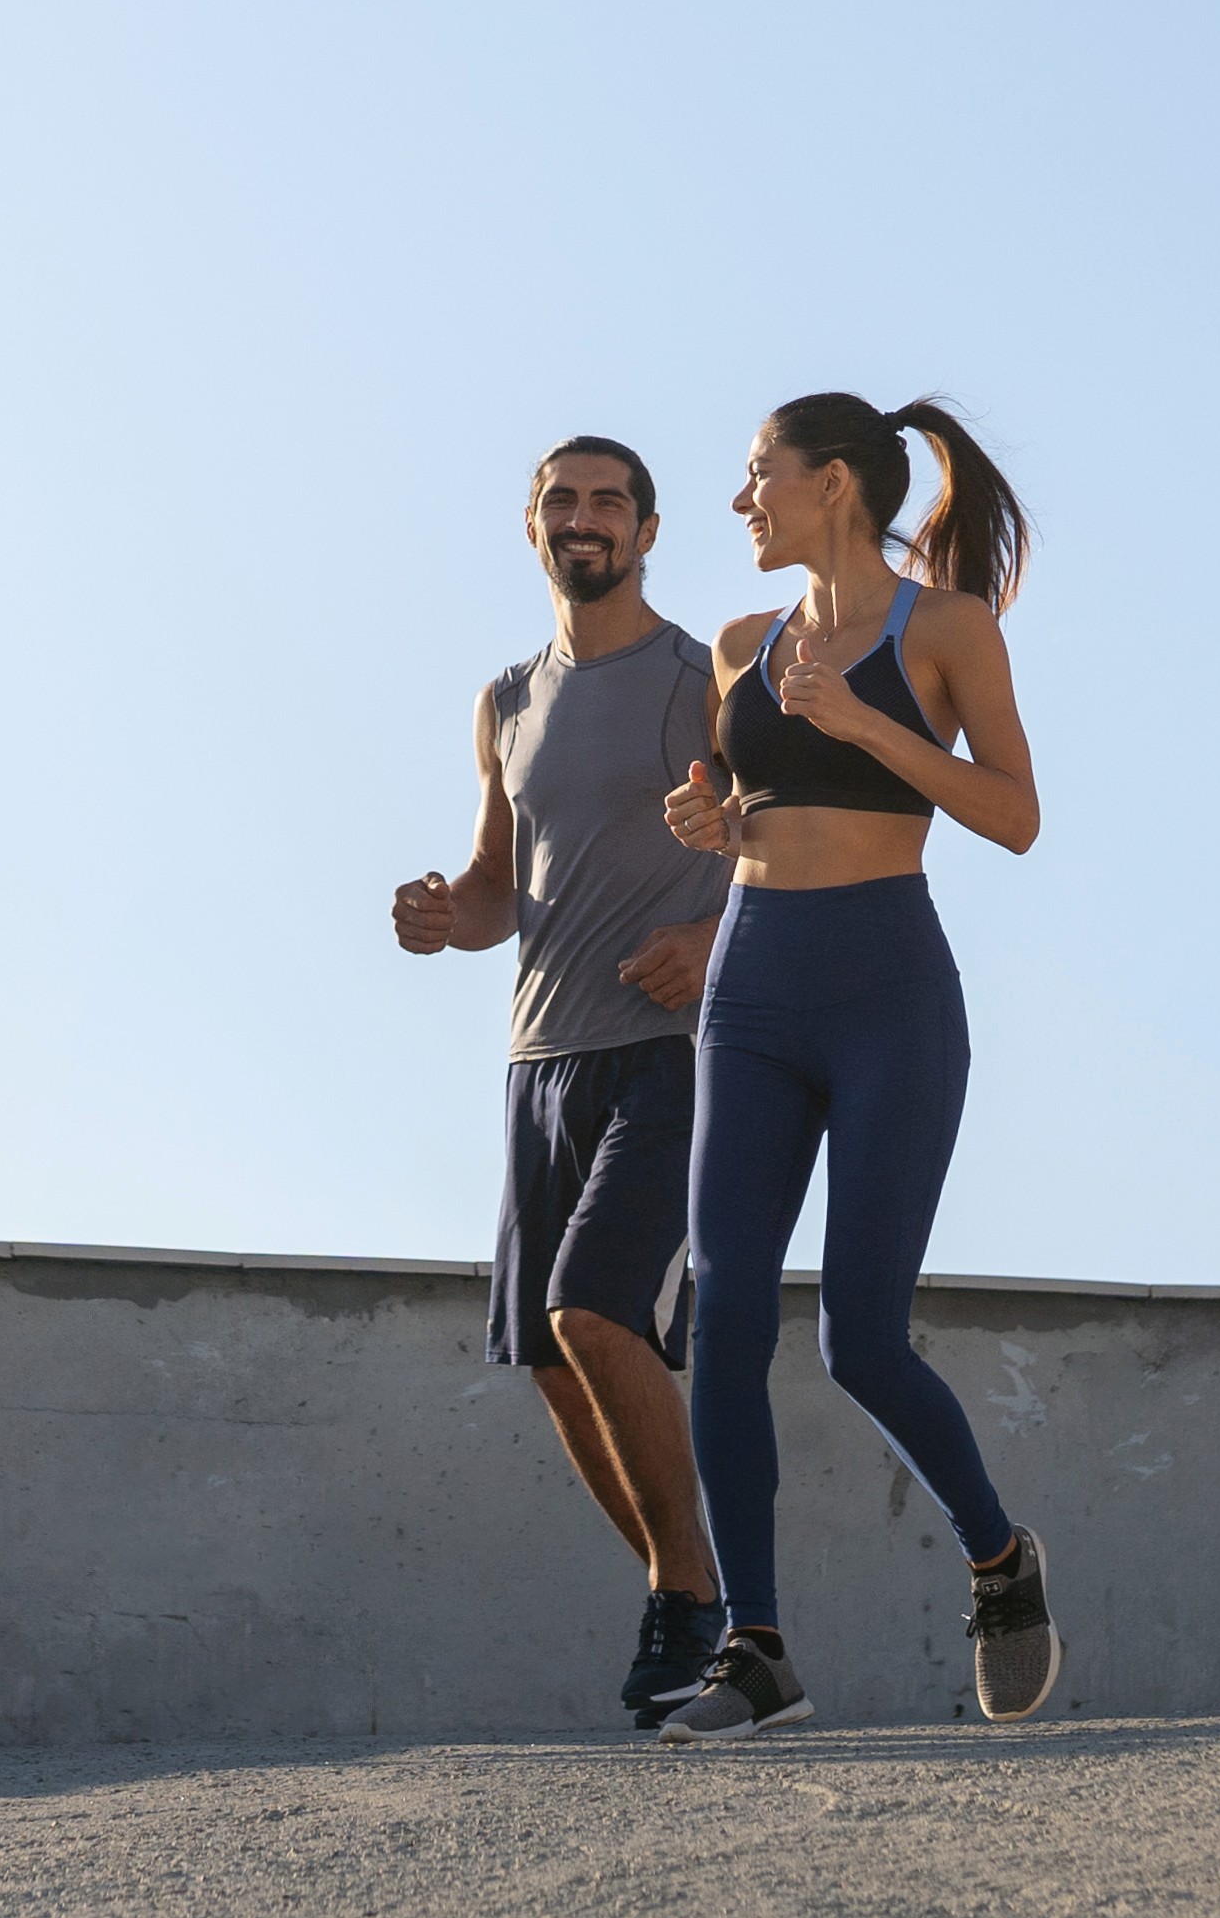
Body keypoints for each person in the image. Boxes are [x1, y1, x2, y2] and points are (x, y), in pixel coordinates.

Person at [645, 395, 1062, 1740]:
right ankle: (754, 1646)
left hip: (889, 990)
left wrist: (869, 725)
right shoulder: (735, 644)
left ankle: (999, 1560)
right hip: (754, 988)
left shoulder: (944, 629)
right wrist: (712, 822)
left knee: (862, 1341)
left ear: (832, 483)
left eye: (756, 475)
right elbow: (743, 802)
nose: (740, 501)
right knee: (724, 1315)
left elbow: (1014, 816)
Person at [393, 437, 737, 1728]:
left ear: (648, 530)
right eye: (562, 502)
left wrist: (711, 943)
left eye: (608, 502)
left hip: (677, 1053)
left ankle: (696, 1599)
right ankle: (678, 1589)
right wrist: (447, 911)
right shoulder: (506, 698)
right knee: (548, 1350)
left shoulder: (704, 677)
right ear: (532, 526)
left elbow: (792, 836)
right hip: (541, 1057)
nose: (583, 520)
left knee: (599, 1310)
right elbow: (500, 887)